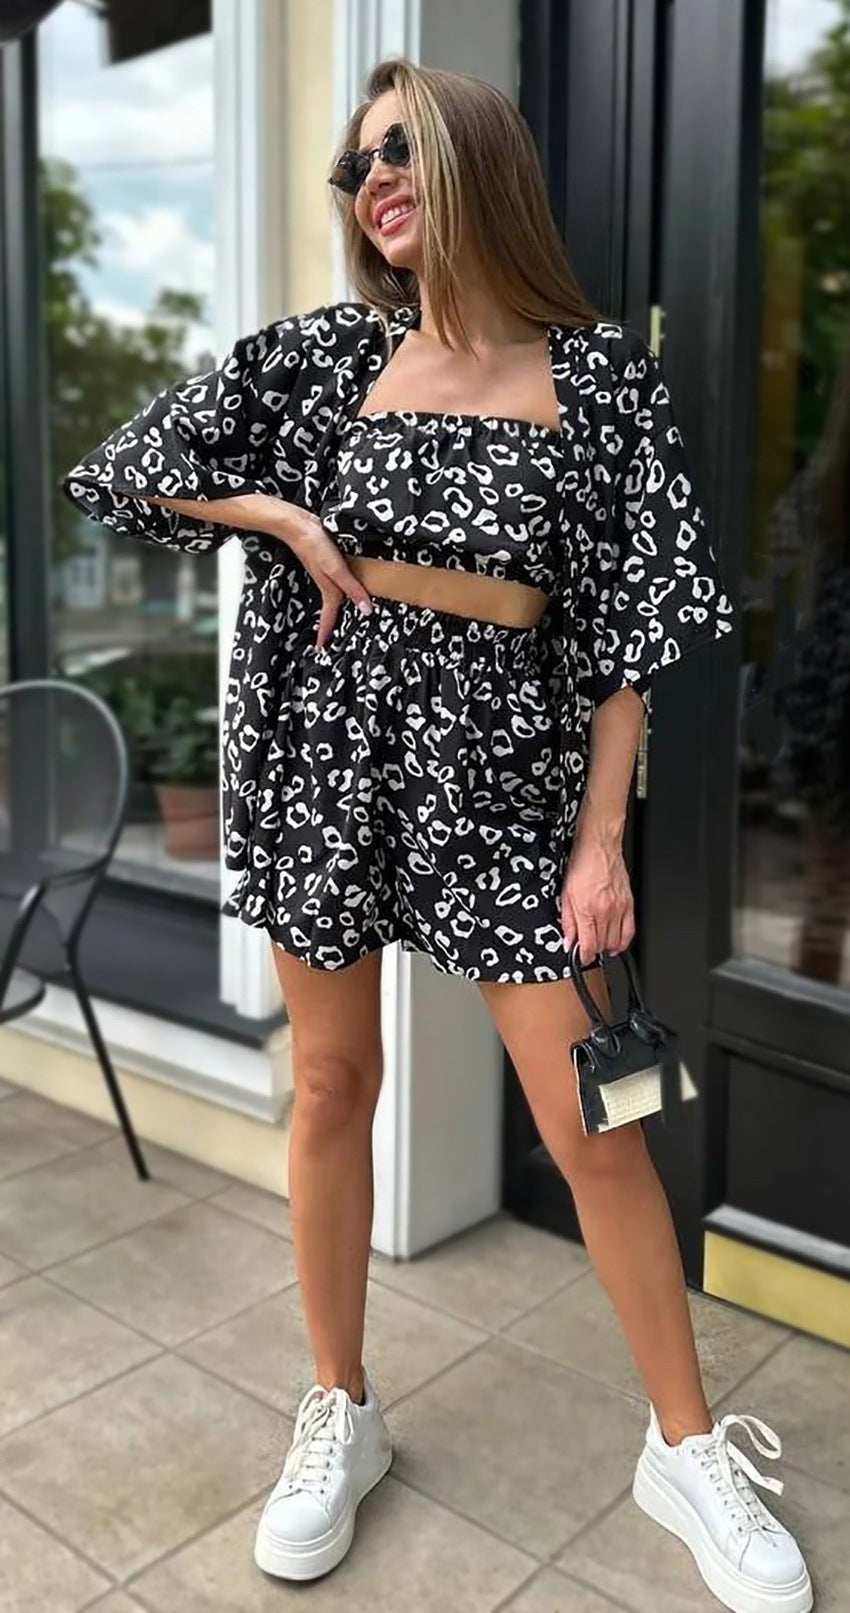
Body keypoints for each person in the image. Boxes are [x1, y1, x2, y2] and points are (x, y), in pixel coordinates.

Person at [62, 54, 812, 1613]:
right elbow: (124, 469)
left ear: (478, 158)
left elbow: (624, 636)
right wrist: (276, 515)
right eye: (356, 167)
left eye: (400, 149)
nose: (374, 183)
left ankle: (681, 1446)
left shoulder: (595, 378)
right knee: (332, 1081)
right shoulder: (322, 357)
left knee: (591, 1123)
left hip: (508, 785)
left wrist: (600, 843)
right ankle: (339, 1404)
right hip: (324, 758)